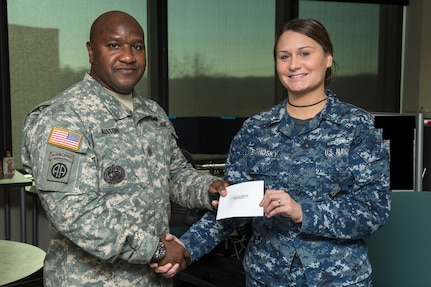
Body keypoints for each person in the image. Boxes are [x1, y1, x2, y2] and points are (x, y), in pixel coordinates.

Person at [154, 18, 391, 286]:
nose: (293, 64)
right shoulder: (255, 130)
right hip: (267, 277)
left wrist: (302, 212)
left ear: (327, 58)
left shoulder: (357, 126)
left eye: (305, 53)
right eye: (284, 56)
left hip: (339, 279)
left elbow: (373, 210)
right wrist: (185, 249)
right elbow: (233, 209)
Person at [21, 10, 227, 287]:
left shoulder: (152, 112)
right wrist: (156, 249)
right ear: (91, 52)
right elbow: (75, 213)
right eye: (114, 45)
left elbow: (175, 175)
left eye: (137, 46)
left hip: (153, 278)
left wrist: (207, 189)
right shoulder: (63, 118)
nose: (129, 56)